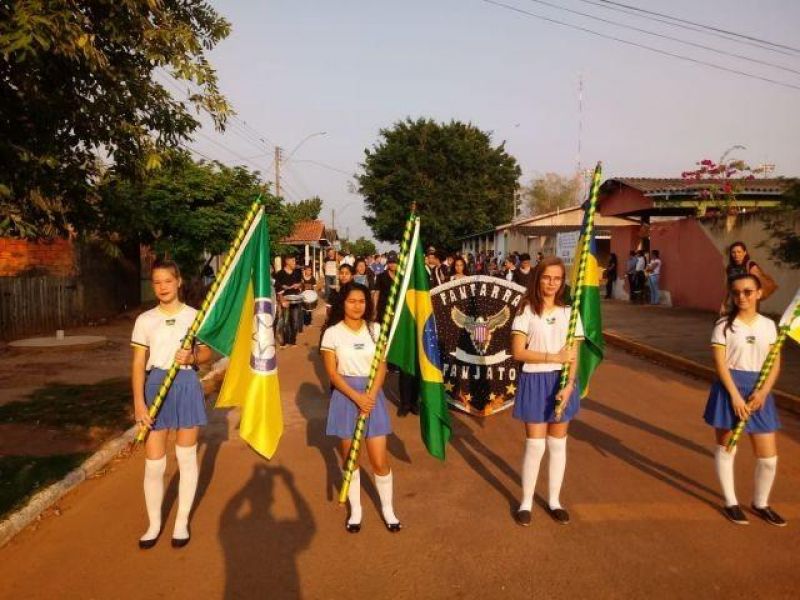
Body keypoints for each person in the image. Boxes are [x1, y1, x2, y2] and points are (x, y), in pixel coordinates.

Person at [131, 259, 212, 549]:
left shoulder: (195, 316)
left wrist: (192, 358)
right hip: (156, 387)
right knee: (154, 464)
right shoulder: (145, 320)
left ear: (178, 282)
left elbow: (206, 354)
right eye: (157, 282)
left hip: (187, 383)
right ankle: (154, 524)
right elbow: (139, 363)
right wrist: (139, 403)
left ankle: (181, 522)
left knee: (186, 457)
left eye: (168, 281)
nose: (163, 287)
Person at [703, 274, 785, 526]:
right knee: (728, 448)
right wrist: (736, 397)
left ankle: (761, 503)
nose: (742, 297)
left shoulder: (768, 326)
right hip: (730, 391)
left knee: (768, 458)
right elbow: (720, 364)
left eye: (748, 292)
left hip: (759, 391)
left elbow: (775, 364)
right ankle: (731, 502)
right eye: (737, 292)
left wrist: (762, 392)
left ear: (759, 293)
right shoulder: (723, 326)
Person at [320, 282, 402, 533]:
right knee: (351, 459)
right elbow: (332, 374)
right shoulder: (332, 333)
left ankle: (388, 509)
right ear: (343, 302)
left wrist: (370, 396)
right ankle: (356, 510)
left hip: (372, 395)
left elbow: (382, 367)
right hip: (346, 397)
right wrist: (357, 397)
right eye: (352, 301)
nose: (357, 306)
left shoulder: (376, 329)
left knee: (379, 460)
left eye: (362, 301)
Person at [510, 256, 582, 527]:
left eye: (557, 278)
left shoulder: (570, 313)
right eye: (546, 277)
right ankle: (526, 501)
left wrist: (569, 384)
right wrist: (554, 357)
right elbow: (518, 352)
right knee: (535, 445)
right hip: (535, 380)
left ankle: (554, 500)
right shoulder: (526, 310)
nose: (551, 283)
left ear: (562, 282)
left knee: (557, 444)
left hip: (562, 382)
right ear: (538, 278)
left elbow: (574, 355)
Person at [273, 254, 304, 346]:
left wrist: (298, 285)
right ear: (287, 261)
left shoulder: (297, 273)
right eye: (293, 261)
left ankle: (293, 340)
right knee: (284, 321)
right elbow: (276, 288)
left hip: (295, 299)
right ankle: (285, 341)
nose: (295, 263)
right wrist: (283, 290)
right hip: (284, 300)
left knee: (294, 321)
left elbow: (301, 284)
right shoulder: (279, 274)